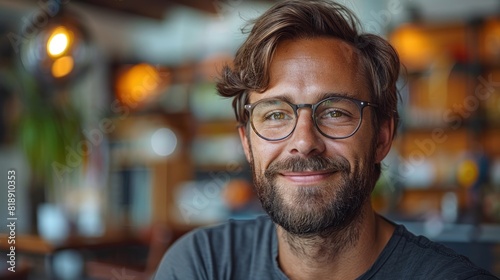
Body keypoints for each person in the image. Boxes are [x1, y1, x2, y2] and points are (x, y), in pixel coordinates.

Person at [154, 1, 498, 279]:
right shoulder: (202, 266)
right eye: (275, 115)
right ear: (247, 142)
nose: (304, 142)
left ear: (382, 137)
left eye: (335, 112)